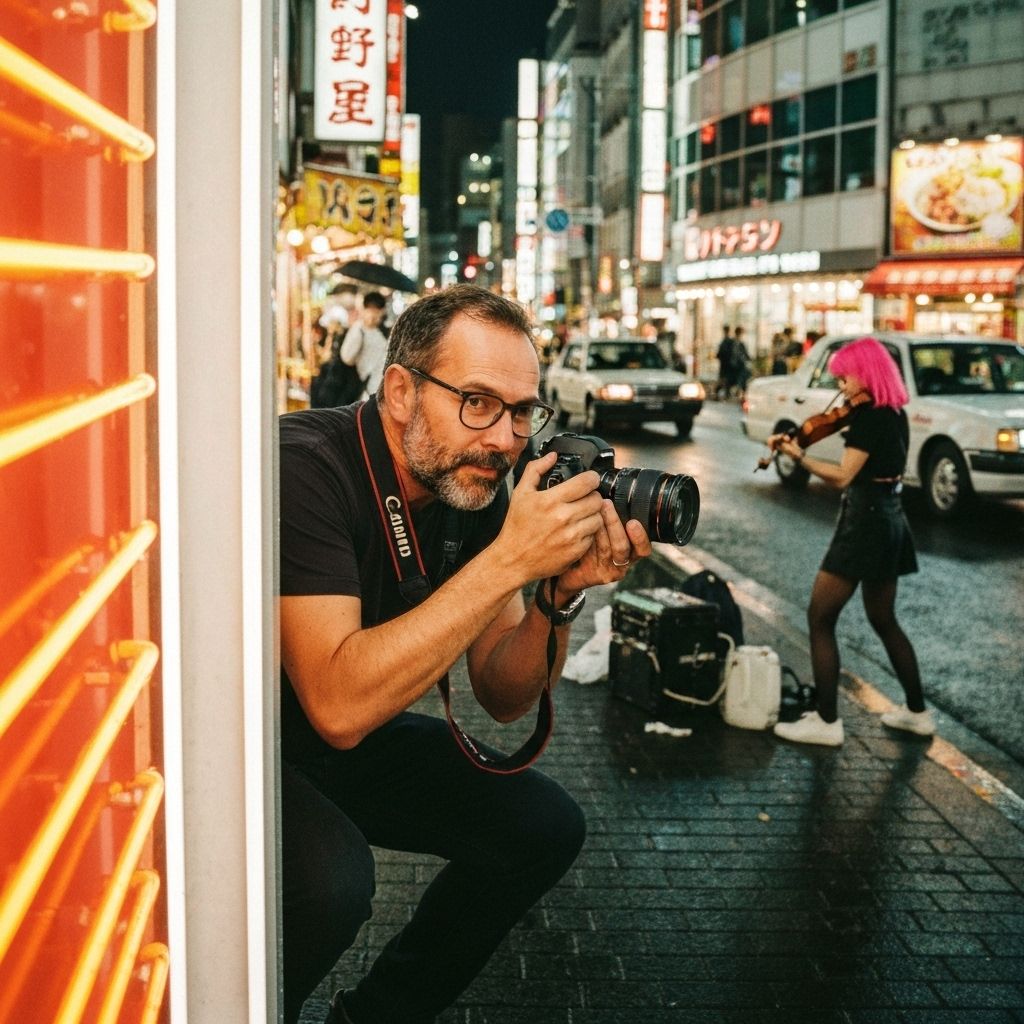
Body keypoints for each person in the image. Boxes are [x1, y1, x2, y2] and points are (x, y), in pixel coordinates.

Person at [279, 285, 653, 1024]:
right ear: (399, 391)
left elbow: (505, 691)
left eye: (522, 412)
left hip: (345, 735)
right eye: (478, 402)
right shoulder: (305, 468)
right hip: (245, 746)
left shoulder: (471, 481)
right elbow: (339, 705)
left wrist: (558, 595)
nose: (505, 439)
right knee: (331, 880)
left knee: (542, 827)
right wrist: (511, 560)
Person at [770, 336, 935, 747]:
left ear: (865, 375)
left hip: (865, 522)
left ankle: (826, 721)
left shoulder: (869, 419)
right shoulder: (892, 412)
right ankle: (918, 713)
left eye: (844, 378)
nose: (840, 387)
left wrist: (798, 456)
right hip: (891, 517)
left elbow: (844, 476)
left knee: (820, 617)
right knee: (883, 619)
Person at [339, 290, 389, 400]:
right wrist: (363, 328)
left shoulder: (385, 331)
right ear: (365, 309)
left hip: (384, 390)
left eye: (377, 310)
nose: (374, 314)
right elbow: (347, 358)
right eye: (371, 309)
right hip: (366, 392)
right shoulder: (358, 329)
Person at [714, 325, 736, 400]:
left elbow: (721, 353)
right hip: (726, 364)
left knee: (725, 380)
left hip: (726, 364)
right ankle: (722, 393)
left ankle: (724, 393)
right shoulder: (727, 341)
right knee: (724, 380)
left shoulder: (726, 341)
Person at [732, 326, 751, 397]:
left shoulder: (733, 342)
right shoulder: (739, 343)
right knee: (743, 377)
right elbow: (744, 354)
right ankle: (740, 391)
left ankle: (739, 390)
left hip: (735, 364)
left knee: (740, 378)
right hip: (740, 364)